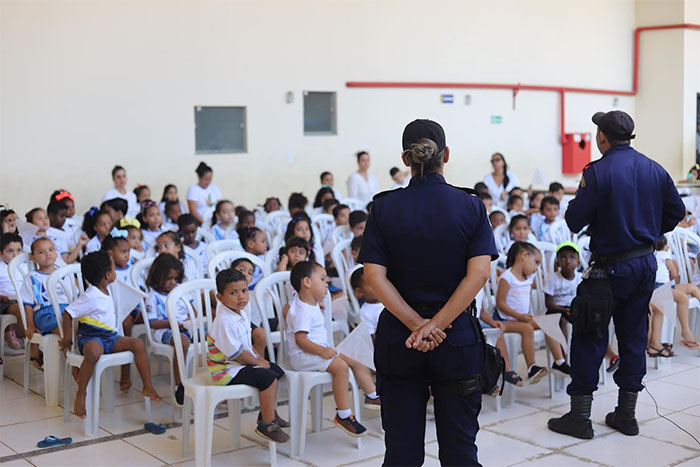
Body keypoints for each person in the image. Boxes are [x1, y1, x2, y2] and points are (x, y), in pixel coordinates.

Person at [359, 119, 497, 466]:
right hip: (456, 339)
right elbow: (478, 274)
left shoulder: (383, 208)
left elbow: (373, 276)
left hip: (399, 339)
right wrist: (436, 326)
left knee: (402, 452)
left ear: (406, 159)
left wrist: (416, 324)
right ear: (445, 155)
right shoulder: (470, 206)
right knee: (460, 450)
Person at [547, 110, 685, 440]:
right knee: (634, 335)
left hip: (608, 269)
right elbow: (676, 213)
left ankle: (580, 418)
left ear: (603, 137)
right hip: (644, 265)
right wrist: (648, 231)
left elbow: (574, 219)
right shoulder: (655, 169)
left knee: (590, 334)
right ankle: (627, 415)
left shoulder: (597, 172)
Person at [61, 251, 161, 418]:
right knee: (94, 352)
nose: (115, 272)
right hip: (91, 338)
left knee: (138, 344)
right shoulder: (90, 296)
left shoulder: (108, 290)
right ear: (108, 275)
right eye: (113, 269)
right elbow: (68, 313)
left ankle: (147, 385)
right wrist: (67, 338)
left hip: (110, 337)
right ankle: (81, 392)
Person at [286, 261, 379, 438]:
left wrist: (323, 350)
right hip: (303, 356)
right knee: (341, 367)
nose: (326, 283)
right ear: (307, 282)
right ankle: (343, 414)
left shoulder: (310, 304)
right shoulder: (302, 310)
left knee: (356, 358)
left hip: (320, 351)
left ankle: (372, 395)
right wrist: (321, 351)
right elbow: (301, 340)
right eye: (322, 279)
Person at [206, 268, 290, 442]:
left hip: (238, 365)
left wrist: (261, 361)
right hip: (225, 371)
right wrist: (259, 362)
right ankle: (267, 424)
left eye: (244, 291)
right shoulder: (224, 320)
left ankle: (268, 413)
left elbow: (246, 348)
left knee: (277, 371)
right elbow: (239, 355)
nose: (241, 297)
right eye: (233, 293)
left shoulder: (240, 314)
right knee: (267, 377)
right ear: (220, 298)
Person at [496, 242, 570, 382]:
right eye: (536, 263)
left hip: (523, 318)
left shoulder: (529, 278)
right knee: (527, 328)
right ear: (524, 256)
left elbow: (544, 281)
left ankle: (559, 362)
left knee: (549, 321)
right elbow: (500, 304)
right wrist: (519, 316)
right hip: (506, 320)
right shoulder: (507, 277)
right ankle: (532, 368)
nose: (537, 268)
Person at [145, 253, 192, 405]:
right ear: (158, 277)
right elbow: (152, 323)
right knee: (182, 342)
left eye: (175, 279)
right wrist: (172, 324)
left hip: (186, 327)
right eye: (168, 279)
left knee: (214, 335)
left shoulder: (179, 291)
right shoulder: (153, 296)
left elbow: (193, 312)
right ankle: (181, 384)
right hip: (166, 331)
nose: (172, 282)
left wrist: (189, 321)